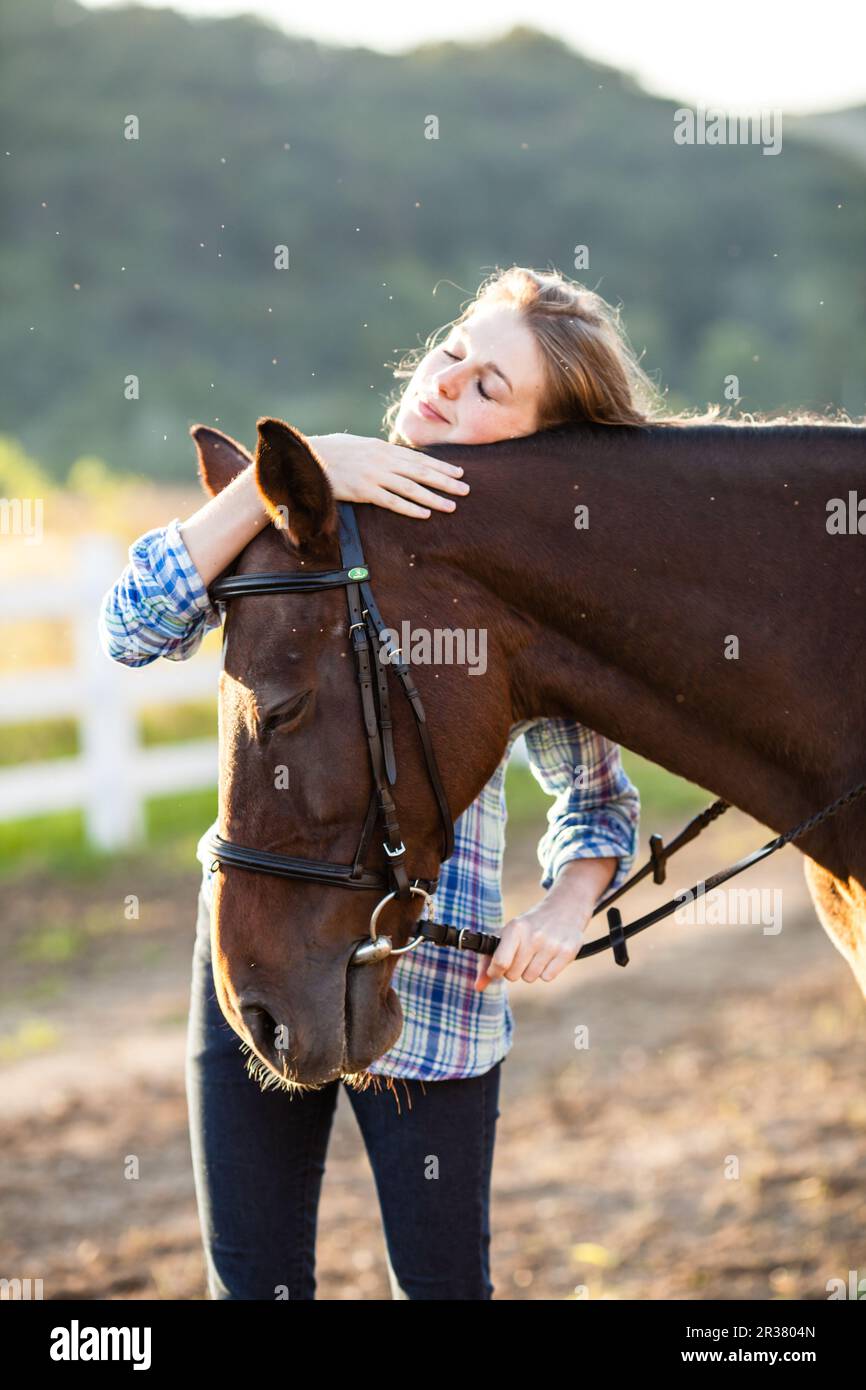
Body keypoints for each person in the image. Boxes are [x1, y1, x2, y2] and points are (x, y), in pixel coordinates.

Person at [98, 265, 648, 1300]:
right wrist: (304, 474)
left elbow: (593, 798)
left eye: (491, 386)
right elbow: (132, 624)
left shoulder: (521, 587)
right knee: (251, 1286)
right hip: (259, 952)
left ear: (539, 440)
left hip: (432, 991)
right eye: (452, 352)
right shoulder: (304, 516)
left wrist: (567, 905)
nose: (449, 382)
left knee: (440, 1291)